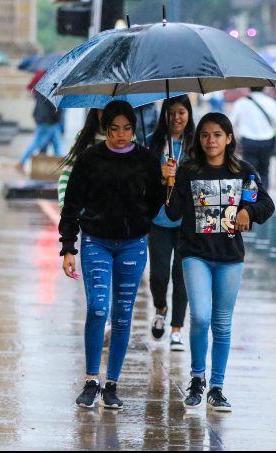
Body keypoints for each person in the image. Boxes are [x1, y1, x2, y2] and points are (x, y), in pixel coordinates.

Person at [164, 112, 274, 412]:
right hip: (195, 254)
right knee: (200, 316)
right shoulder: (189, 170)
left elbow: (266, 204)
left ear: (228, 138)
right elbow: (173, 214)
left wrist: (247, 213)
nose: (210, 140)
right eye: (204, 135)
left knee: (222, 324)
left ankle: (217, 387)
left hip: (229, 258)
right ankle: (197, 378)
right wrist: (169, 182)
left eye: (216, 134)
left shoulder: (243, 172)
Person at [60, 101, 164, 409]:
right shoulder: (90, 159)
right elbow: (71, 205)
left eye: (127, 129)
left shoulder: (147, 160)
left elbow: (157, 207)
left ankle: (111, 385)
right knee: (97, 309)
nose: (121, 135)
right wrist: (68, 247)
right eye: (114, 129)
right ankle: (91, 380)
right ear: (105, 129)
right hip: (96, 242)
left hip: (133, 244)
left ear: (134, 129)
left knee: (122, 316)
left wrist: (165, 180)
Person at [145, 95, 195, 351]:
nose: (177, 118)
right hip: (159, 220)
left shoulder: (196, 147)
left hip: (186, 222)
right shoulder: (152, 145)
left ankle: (176, 328)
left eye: (182, 112)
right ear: (164, 115)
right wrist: (161, 177)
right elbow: (141, 182)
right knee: (159, 274)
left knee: (182, 275)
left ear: (189, 114)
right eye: (171, 112)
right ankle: (160, 307)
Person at [229, 87, 276, 188]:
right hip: (267, 140)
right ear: (263, 88)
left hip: (248, 141)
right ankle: (265, 197)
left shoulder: (241, 103)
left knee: (249, 171)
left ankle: (250, 199)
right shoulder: (271, 102)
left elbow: (231, 123)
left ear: (250, 88)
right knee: (265, 171)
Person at [57, 108, 104, 209]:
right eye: (103, 110)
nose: (108, 114)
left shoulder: (127, 139)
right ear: (96, 111)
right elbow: (67, 174)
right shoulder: (83, 138)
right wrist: (64, 204)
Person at [16, 92, 63, 174]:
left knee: (56, 145)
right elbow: (54, 106)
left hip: (47, 121)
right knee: (37, 143)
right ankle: (21, 162)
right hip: (48, 121)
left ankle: (59, 167)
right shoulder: (52, 91)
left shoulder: (43, 89)